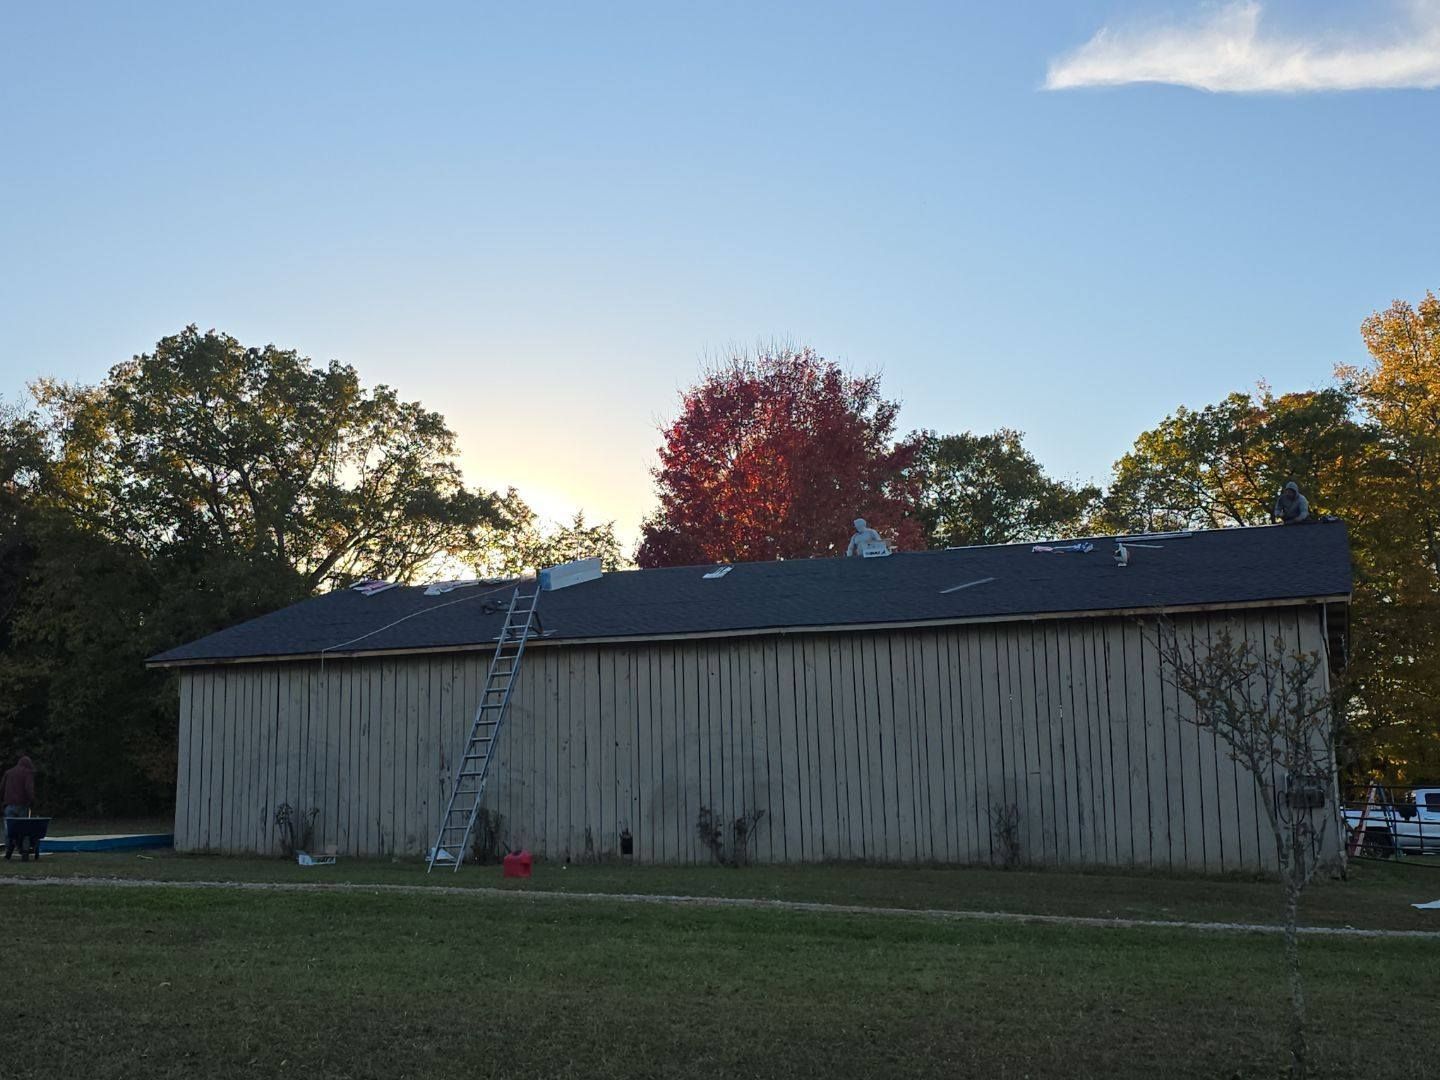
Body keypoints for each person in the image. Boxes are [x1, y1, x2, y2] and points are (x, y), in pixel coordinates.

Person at [2, 753, 36, 860]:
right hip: (22, 806)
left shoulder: (8, 773)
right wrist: (32, 800)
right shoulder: (28, 773)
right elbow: (28, 789)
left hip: (8, 805)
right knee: (24, 830)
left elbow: (1, 789)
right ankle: (25, 851)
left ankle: (8, 850)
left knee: (10, 830)